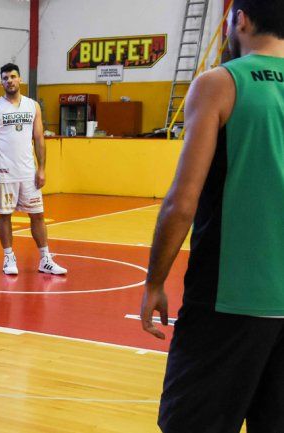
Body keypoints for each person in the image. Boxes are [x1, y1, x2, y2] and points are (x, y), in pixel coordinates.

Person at [140, 1, 284, 431]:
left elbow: (181, 203)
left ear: (240, 19)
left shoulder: (219, 83)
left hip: (231, 299)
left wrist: (154, 283)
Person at [0, 63, 66, 276]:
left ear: (20, 79)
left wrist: (41, 168)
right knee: (5, 215)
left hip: (28, 173)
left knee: (38, 215)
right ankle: (9, 257)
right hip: (4, 173)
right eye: (5, 78)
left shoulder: (32, 106)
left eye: (13, 76)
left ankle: (45, 259)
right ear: (1, 82)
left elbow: (39, 139)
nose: (9, 81)